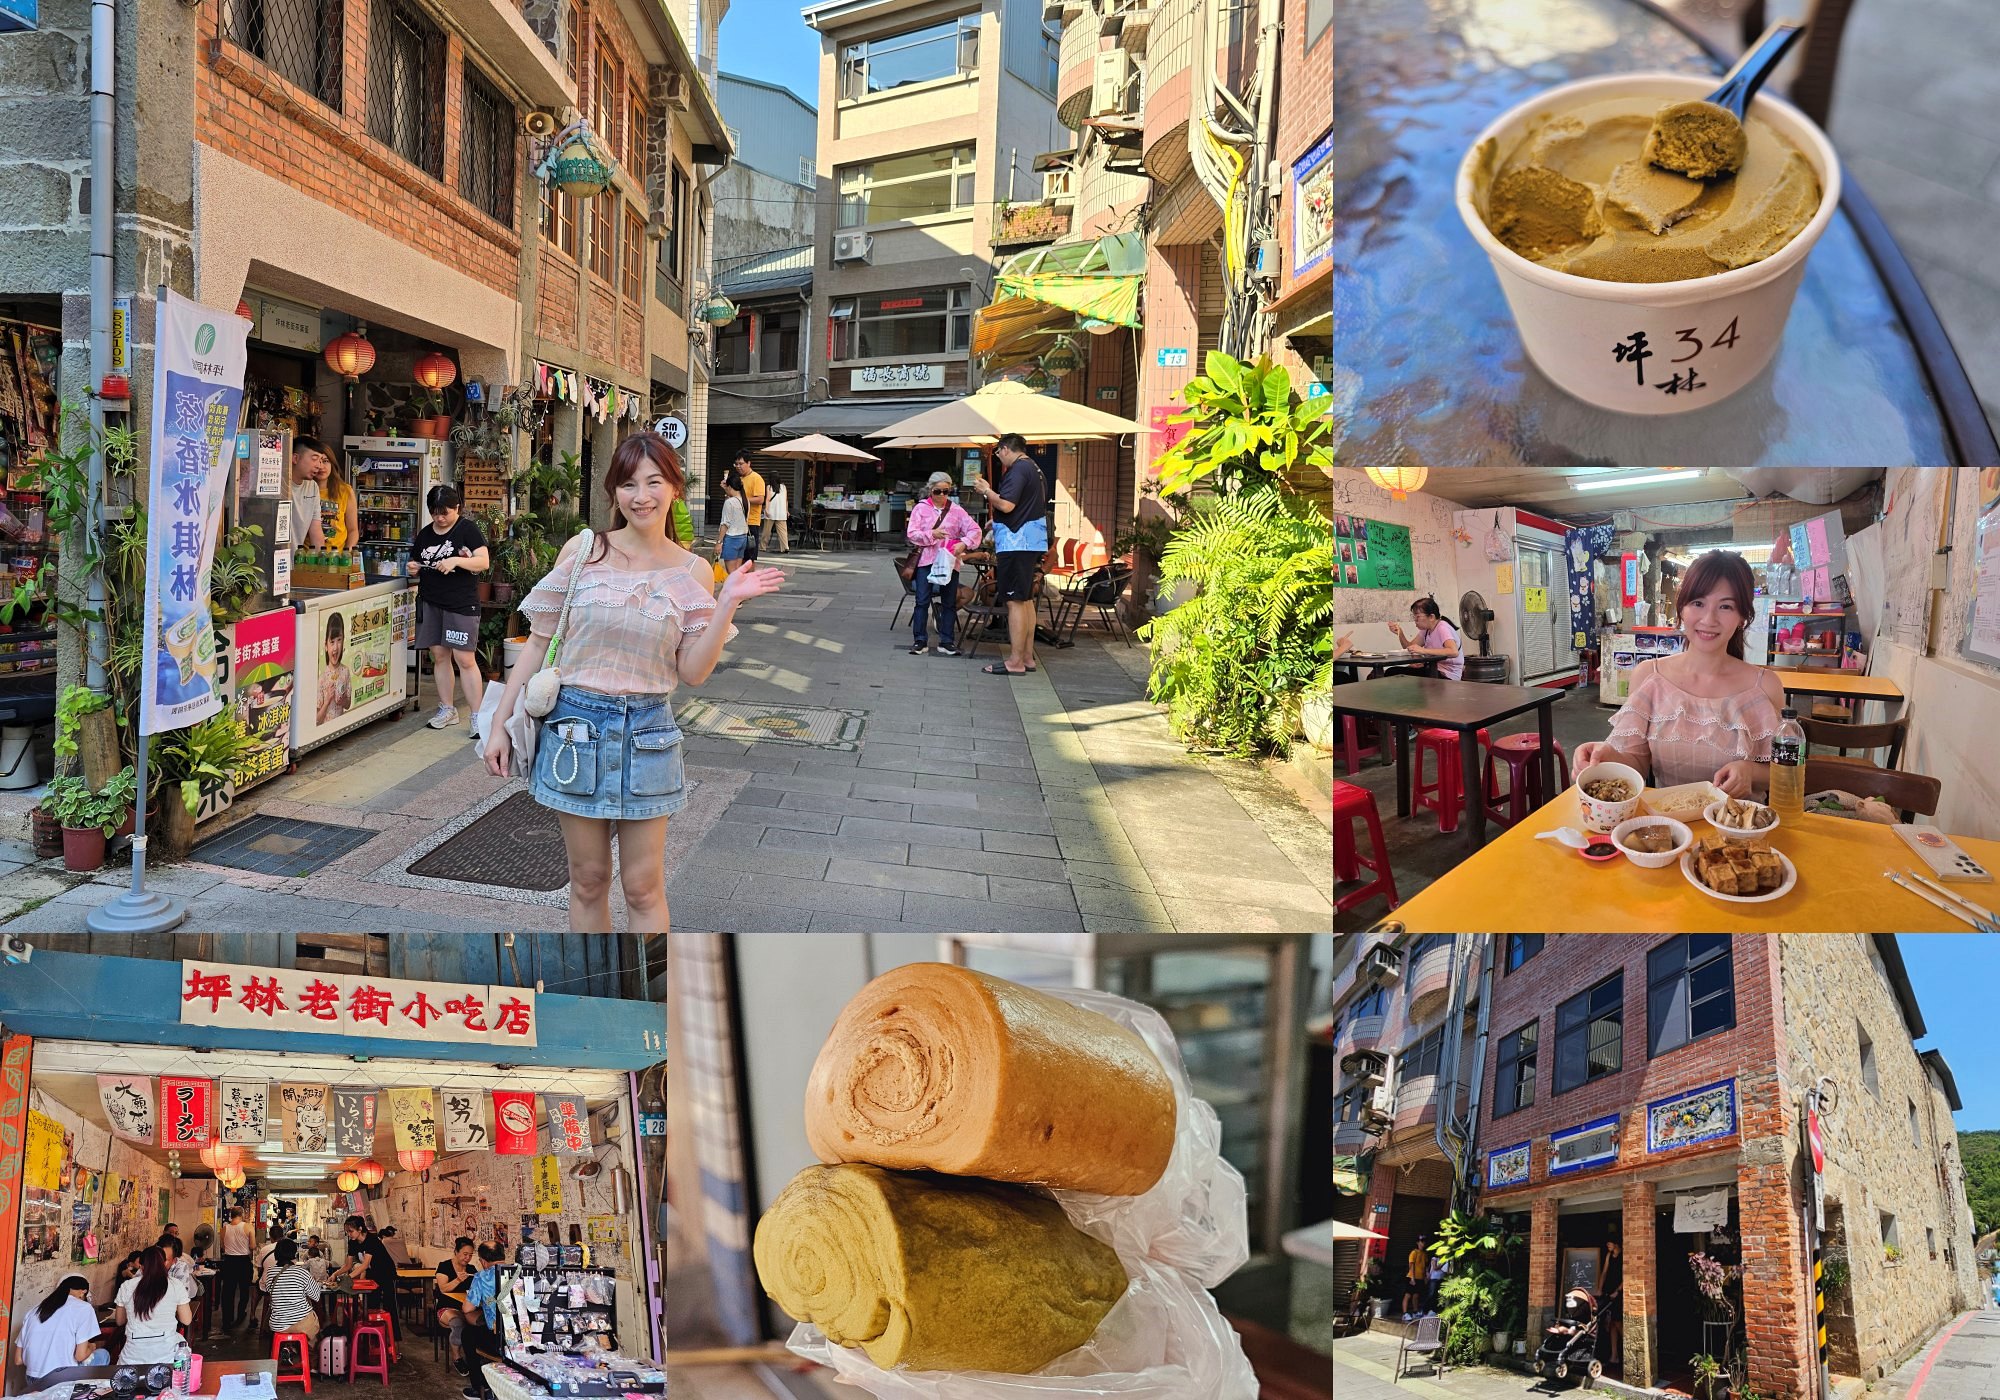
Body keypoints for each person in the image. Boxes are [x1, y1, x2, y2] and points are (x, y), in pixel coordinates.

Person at [483, 433, 783, 935]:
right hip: (573, 729)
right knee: (587, 880)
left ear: (674, 490)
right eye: (628, 484)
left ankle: (653, 993)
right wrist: (497, 724)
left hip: (648, 734)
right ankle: (595, 989)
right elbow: (536, 645)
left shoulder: (691, 570)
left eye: (653, 482)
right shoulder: (585, 551)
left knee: (644, 886)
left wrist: (727, 601)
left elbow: (693, 672)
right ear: (613, 493)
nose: (640, 496)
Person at [1575, 550, 1786, 794]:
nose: (1709, 619)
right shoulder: (1649, 677)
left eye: (1726, 606)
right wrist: (1607, 757)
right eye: (1698, 603)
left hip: (1740, 827)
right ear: (1682, 608)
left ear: (1742, 617)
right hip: (1668, 826)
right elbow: (1638, 765)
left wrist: (1751, 772)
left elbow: (1785, 773)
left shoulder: (1765, 687)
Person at [408, 483, 490, 730]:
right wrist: (412, 567)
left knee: (465, 658)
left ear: (458, 508)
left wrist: (455, 560)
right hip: (431, 601)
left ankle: (477, 716)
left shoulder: (468, 530)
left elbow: (483, 562)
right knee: (440, 656)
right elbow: (416, 561)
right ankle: (447, 709)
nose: (440, 518)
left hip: (461, 603)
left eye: (445, 512)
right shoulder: (425, 534)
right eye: (435, 512)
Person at [969, 433, 1047, 676]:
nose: (998, 457)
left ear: (1004, 449)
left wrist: (986, 490)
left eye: (997, 452)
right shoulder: (1034, 468)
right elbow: (1020, 507)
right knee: (1024, 600)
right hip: (1031, 539)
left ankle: (1015, 661)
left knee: (1013, 601)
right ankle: (1027, 656)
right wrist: (998, 520)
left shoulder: (1017, 470)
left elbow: (1007, 504)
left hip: (1017, 542)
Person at [904, 472, 980, 657]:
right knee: (922, 601)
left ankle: (947, 641)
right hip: (926, 561)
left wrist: (965, 543)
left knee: (949, 602)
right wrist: (931, 534)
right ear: (931, 490)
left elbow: (975, 530)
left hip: (948, 561)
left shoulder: (957, 510)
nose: (942, 495)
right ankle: (919, 640)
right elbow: (912, 533)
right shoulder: (920, 509)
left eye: (946, 491)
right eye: (938, 491)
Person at [15, 1275, 110, 1384]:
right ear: (83, 1292)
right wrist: (91, 1347)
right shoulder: (84, 1308)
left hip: (32, 1380)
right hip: (62, 1379)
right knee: (103, 1354)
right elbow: (80, 1356)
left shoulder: (34, 1310)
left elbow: (18, 1360)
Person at [113, 1246, 191, 1365]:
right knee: (182, 1352)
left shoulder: (127, 1286)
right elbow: (186, 1320)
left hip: (132, 1358)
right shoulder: (176, 1285)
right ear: (165, 1263)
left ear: (141, 1266)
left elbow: (119, 1321)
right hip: (168, 1357)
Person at [331, 1215, 400, 1338]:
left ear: (360, 1228)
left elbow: (364, 1265)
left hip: (386, 1273)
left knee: (390, 1307)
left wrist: (347, 1278)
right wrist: (335, 1274)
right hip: (373, 1274)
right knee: (371, 1305)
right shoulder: (352, 1242)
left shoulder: (372, 1240)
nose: (349, 1234)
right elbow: (348, 1265)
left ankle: (395, 1341)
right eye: (347, 1231)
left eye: (351, 1231)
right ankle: (373, 1337)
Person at [458, 1245, 506, 1400]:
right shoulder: (520, 1272)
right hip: (526, 1339)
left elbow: (467, 1309)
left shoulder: (481, 1277)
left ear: (483, 1262)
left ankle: (479, 1387)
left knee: (467, 1334)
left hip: (499, 1342)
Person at [1388, 596, 1465, 680]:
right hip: (1432, 669)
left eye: (1418, 617)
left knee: (1396, 675)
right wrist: (1400, 633)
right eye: (1414, 617)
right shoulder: (1426, 630)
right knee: (1392, 672)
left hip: (1447, 675)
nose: (1415, 621)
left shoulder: (1442, 627)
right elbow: (1409, 647)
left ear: (1431, 617)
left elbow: (1453, 652)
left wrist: (1423, 650)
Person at [264, 1239, 323, 1347]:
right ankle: (308, 1353)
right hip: (301, 1324)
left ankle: (289, 1347)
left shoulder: (270, 1272)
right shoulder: (301, 1272)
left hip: (278, 1324)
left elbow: (270, 1291)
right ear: (294, 1254)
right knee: (314, 1336)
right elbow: (316, 1296)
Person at [434, 1237, 478, 1374]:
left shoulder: (471, 1269)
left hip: (466, 1307)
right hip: (447, 1308)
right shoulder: (444, 1266)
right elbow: (443, 1288)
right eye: (465, 1254)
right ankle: (457, 1357)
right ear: (456, 1252)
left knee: (482, 1322)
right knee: (458, 1323)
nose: (468, 1258)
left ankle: (476, 1357)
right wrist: (458, 1279)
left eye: (471, 1255)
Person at [289, 437, 330, 550]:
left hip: (295, 560)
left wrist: (322, 560)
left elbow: (316, 531)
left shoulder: (312, 487)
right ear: (295, 458)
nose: (319, 466)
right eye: (314, 458)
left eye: (321, 460)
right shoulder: (280, 484)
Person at [219, 1205, 254, 1332]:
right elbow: (253, 1245)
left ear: (231, 1215)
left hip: (229, 1261)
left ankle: (226, 1321)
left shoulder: (224, 1229)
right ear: (242, 1214)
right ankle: (240, 1315)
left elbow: (222, 1247)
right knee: (244, 1290)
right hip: (243, 1261)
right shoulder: (248, 1227)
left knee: (228, 1292)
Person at [316, 450, 358, 551]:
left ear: (332, 464)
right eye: (317, 461)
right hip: (309, 557)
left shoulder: (345, 491)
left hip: (337, 558)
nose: (321, 466)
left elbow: (353, 530)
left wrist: (347, 552)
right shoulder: (303, 489)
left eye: (325, 461)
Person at [317, 611, 351, 724]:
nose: (336, 648)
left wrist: (343, 701)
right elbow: (317, 720)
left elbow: (348, 705)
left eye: (339, 640)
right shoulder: (321, 679)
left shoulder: (345, 671)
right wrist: (327, 701)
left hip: (340, 727)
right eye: (332, 642)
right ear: (326, 646)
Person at [733, 452, 766, 563]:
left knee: (749, 558)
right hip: (738, 522)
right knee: (739, 556)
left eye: (741, 464)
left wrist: (741, 500)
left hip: (751, 523)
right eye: (736, 464)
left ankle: (750, 579)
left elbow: (760, 499)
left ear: (749, 463)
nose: (738, 466)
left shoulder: (756, 478)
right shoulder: (739, 479)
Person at [715, 477, 751, 575]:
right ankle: (740, 589)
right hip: (743, 538)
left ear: (730, 487)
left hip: (732, 539)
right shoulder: (745, 500)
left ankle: (734, 590)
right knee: (737, 571)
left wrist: (719, 542)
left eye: (727, 487)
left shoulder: (729, 502)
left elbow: (725, 524)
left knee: (731, 573)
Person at [1601, 1236, 1624, 1360]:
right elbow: (1604, 1272)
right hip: (1609, 1291)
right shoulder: (1609, 1256)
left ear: (1616, 1243)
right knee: (1611, 1325)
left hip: (1619, 1292)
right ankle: (1614, 1355)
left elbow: (1627, 1275)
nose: (1607, 1245)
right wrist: (1600, 1288)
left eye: (1609, 1243)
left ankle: (1628, 1346)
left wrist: (1618, 1291)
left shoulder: (1623, 1256)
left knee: (1617, 1321)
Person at [761, 478, 790, 554]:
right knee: (783, 532)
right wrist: (786, 511)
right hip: (781, 512)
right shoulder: (783, 487)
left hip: (771, 511)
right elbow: (786, 500)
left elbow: (767, 499)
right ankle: (785, 547)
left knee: (766, 531)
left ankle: (763, 546)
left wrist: (766, 509)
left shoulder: (769, 487)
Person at [1403, 1235, 1429, 1319]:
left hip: (1420, 1278)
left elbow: (1424, 1267)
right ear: (1417, 1242)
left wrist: (1425, 1277)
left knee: (1416, 1295)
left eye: (1424, 1241)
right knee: (1408, 1295)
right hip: (1412, 1277)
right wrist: (1412, 1278)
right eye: (1421, 1241)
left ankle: (1415, 1311)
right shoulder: (1414, 1252)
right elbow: (1411, 1266)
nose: (1423, 1243)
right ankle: (1405, 1313)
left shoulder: (1424, 1254)